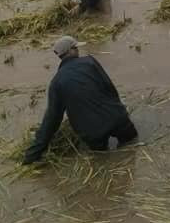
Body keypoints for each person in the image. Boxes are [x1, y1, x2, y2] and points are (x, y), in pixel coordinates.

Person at [22, 35, 137, 164]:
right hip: (117, 119)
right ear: (70, 51)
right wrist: (120, 111)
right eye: (76, 48)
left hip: (92, 132)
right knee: (132, 146)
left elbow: (52, 120)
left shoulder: (56, 83)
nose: (78, 50)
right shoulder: (90, 62)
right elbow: (109, 88)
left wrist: (32, 154)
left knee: (101, 160)